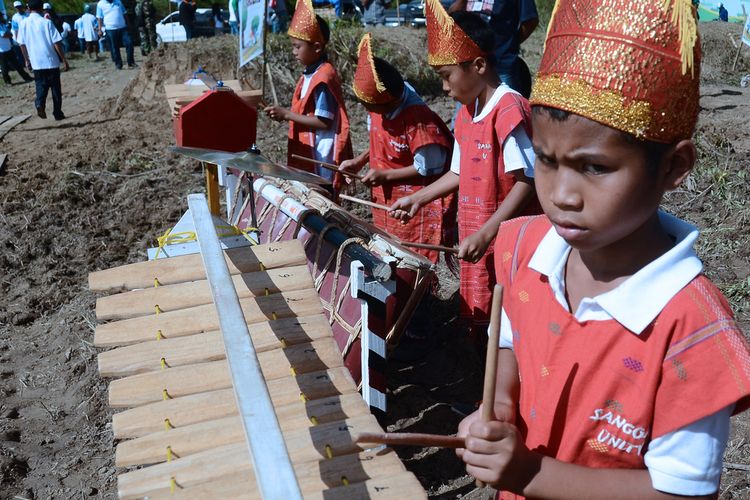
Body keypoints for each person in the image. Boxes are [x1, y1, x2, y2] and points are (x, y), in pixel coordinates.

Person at [455, 0, 750, 497]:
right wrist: (501, 401)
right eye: (546, 160)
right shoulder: (526, 247)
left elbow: (679, 492)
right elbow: (511, 337)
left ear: (673, 168)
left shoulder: (689, 327)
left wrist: (531, 475)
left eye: (594, 167)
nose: (561, 194)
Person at [391, 2, 539, 339]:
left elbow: (527, 181)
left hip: (507, 241)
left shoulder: (509, 108)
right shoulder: (465, 114)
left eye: (447, 77)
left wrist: (487, 233)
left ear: (479, 65)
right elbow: (457, 173)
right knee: (484, 320)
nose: (444, 88)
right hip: (478, 236)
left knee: (512, 322)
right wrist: (419, 198)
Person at [342, 33, 456, 264]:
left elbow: (429, 167)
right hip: (385, 198)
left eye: (371, 107)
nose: (368, 111)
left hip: (414, 201)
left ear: (391, 102)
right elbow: (380, 140)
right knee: (387, 247)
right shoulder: (379, 103)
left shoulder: (418, 120)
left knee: (411, 257)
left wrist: (386, 174)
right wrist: (360, 161)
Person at [264, 0, 353, 184]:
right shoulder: (310, 74)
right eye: (293, 46)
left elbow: (323, 121)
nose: (294, 51)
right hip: (312, 153)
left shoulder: (323, 77)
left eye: (298, 46)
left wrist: (287, 114)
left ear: (317, 47)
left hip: (321, 157)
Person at [448, 0, 538, 97]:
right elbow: (451, 19)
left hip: (502, 65)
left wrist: (511, 43)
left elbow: (530, 20)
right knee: (468, 111)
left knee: (507, 106)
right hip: (468, 66)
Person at [17, 0, 68, 120]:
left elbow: (21, 44)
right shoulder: (47, 23)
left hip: (36, 62)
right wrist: (64, 59)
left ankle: (39, 103)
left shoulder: (23, 23)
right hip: (51, 61)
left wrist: (26, 60)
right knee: (55, 88)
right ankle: (57, 113)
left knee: (40, 86)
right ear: (41, 9)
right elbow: (56, 42)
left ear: (28, 8)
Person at [97, 0, 135, 69]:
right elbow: (99, 18)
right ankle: (118, 64)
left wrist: (128, 24)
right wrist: (99, 30)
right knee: (114, 47)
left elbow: (124, 13)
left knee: (129, 43)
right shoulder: (100, 4)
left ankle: (131, 62)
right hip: (110, 29)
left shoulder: (118, 2)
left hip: (123, 27)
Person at [0, 11, 33, 84]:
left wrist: (8, 34)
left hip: (8, 48)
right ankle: (8, 82)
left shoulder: (3, 24)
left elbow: (10, 34)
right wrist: (8, 34)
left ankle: (27, 78)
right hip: (1, 51)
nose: (2, 17)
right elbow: (4, 35)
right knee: (4, 68)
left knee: (18, 65)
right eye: (1, 16)